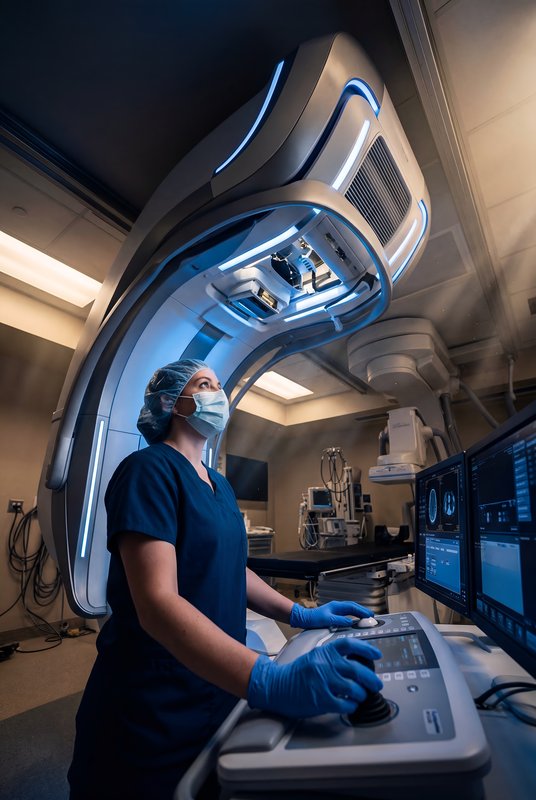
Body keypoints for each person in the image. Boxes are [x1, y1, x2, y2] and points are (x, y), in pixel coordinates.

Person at [68, 358, 383, 800]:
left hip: (219, 678)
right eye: (204, 385)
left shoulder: (220, 484)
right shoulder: (147, 470)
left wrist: (300, 613)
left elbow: (232, 568)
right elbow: (157, 604)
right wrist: (268, 680)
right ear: (170, 403)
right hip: (153, 699)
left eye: (218, 385)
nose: (218, 394)